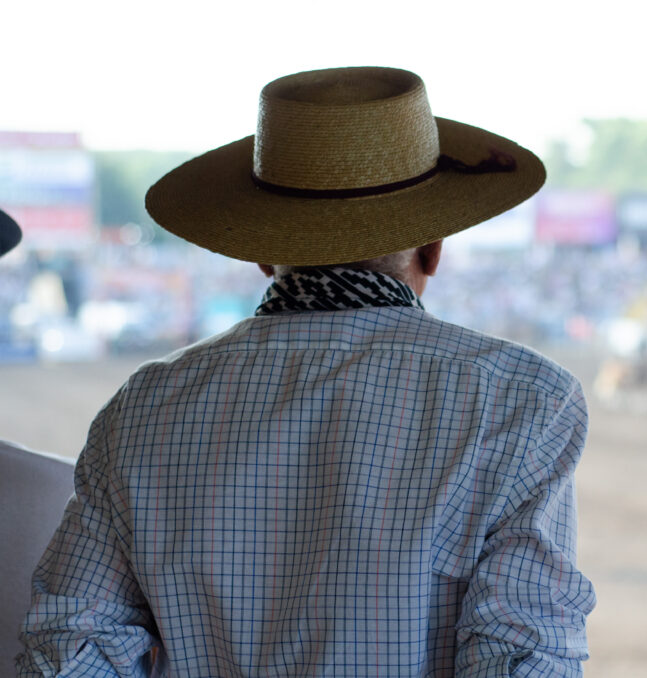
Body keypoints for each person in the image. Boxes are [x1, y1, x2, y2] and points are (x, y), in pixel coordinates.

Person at [17, 67, 596, 677]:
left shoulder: (144, 407)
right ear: (433, 247)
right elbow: (524, 660)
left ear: (263, 253)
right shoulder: (523, 400)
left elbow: (71, 651)